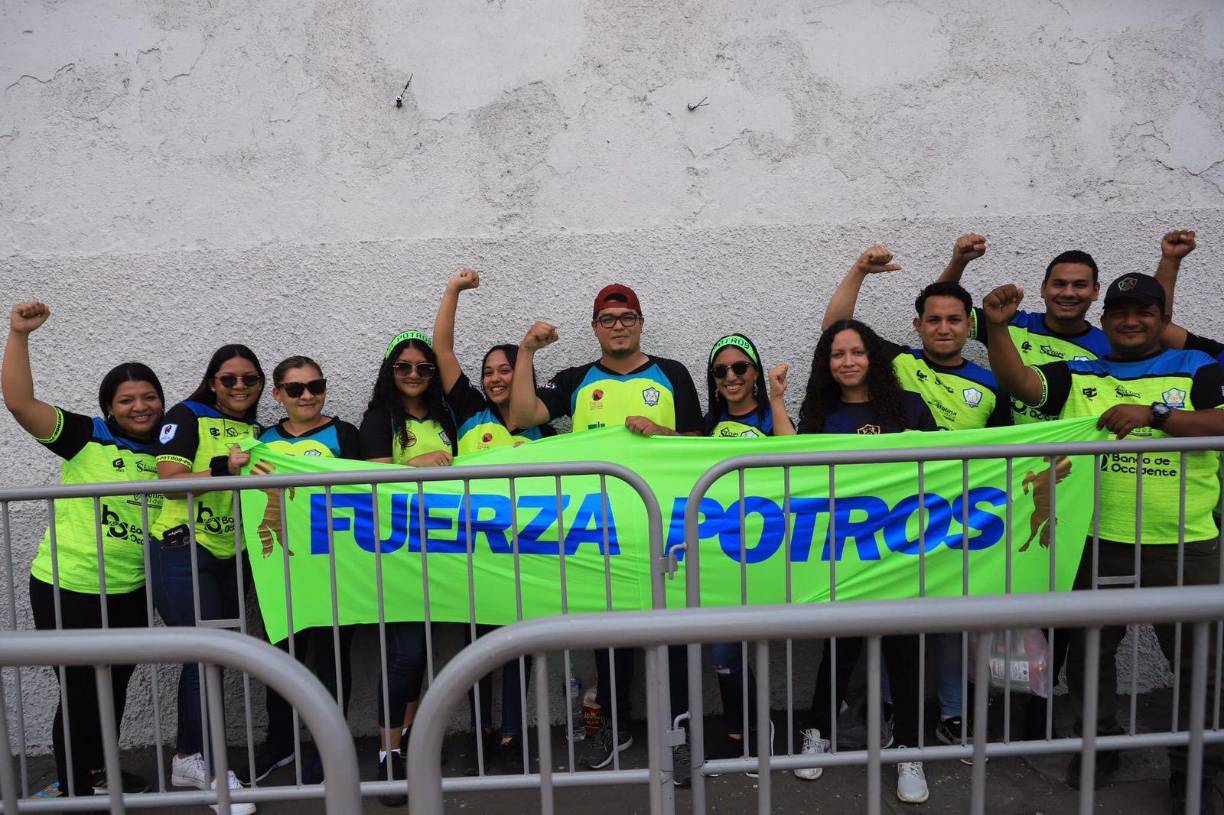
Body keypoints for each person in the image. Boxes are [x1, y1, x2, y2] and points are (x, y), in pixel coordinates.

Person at [981, 272, 1224, 812]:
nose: (1131, 322)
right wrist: (997, 329)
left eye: (1144, 313)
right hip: (1095, 540)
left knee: (1197, 662)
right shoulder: (1080, 371)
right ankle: (1100, 745)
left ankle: (1192, 770)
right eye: (1121, 313)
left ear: (1163, 319)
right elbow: (1021, 383)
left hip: (1183, 543)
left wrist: (1156, 415)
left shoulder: (1199, 369)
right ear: (1105, 319)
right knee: (1092, 656)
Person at [507, 283, 703, 773]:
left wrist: (665, 435)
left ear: (641, 323)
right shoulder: (576, 377)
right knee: (609, 636)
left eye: (627, 317)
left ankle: (679, 734)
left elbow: (701, 443)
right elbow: (521, 415)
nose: (618, 326)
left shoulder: (672, 373)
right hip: (599, 531)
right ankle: (615, 727)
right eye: (608, 319)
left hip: (663, 528)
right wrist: (526, 351)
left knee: (674, 634)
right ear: (595, 327)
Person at [823, 245, 1009, 747]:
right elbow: (835, 328)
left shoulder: (992, 383)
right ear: (918, 326)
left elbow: (1010, 450)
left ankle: (953, 712)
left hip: (959, 515)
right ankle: (886, 712)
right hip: (895, 516)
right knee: (889, 622)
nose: (944, 328)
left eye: (954, 320)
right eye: (933, 320)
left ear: (969, 326)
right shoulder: (900, 365)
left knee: (951, 619)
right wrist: (859, 269)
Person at [2, 302, 163, 799]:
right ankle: (75, 790)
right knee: (79, 693)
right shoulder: (85, 436)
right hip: (68, 586)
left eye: (149, 397)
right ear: (108, 407)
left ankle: (98, 775)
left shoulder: (172, 451)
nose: (140, 407)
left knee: (113, 689)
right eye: (126, 400)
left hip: (131, 589)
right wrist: (18, 335)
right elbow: (20, 403)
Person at [789, 319, 935, 805]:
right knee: (840, 648)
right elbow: (790, 468)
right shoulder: (820, 413)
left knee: (904, 651)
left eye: (856, 352)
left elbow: (947, 468)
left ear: (873, 356)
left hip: (902, 552)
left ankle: (910, 752)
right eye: (837, 354)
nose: (847, 362)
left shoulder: (909, 407)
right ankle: (817, 734)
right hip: (842, 554)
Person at [433, 269, 556, 774]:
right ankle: (481, 733)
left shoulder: (545, 425)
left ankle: (511, 736)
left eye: (504, 369)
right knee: (477, 647)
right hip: (473, 555)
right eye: (488, 372)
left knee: (520, 648)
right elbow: (442, 352)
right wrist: (453, 291)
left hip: (527, 556)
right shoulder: (468, 412)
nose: (495, 378)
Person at [150, 344, 264, 815]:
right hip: (182, 549)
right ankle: (213, 775)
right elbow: (168, 478)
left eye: (249, 379)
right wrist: (224, 467)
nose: (240, 386)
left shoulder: (259, 430)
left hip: (231, 553)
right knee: (208, 657)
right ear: (212, 381)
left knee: (209, 658)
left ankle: (187, 759)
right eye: (229, 378)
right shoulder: (186, 415)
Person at [238, 356, 360, 786]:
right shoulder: (261, 440)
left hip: (335, 566)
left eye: (315, 385)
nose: (307, 395)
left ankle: (329, 747)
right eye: (295, 388)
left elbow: (370, 490)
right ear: (277, 395)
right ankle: (280, 742)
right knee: (282, 659)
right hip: (279, 567)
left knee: (332, 661)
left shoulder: (346, 434)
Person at [359, 330, 457, 807]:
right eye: (404, 367)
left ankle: (410, 741)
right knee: (405, 653)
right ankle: (387, 751)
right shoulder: (379, 419)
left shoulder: (446, 416)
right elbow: (373, 475)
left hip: (443, 553)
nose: (414, 374)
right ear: (389, 371)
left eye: (423, 367)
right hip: (395, 556)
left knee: (419, 655)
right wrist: (421, 461)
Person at [701, 333, 792, 774]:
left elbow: (794, 452)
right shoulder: (708, 424)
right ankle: (742, 734)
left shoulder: (767, 414)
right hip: (720, 549)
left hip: (767, 547)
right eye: (722, 371)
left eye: (740, 368)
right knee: (724, 648)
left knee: (728, 646)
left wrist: (776, 398)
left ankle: (756, 732)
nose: (731, 377)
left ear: (754, 371)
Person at [938, 233, 1110, 423]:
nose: (1068, 293)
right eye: (1059, 284)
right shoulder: (1006, 323)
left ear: (1095, 291)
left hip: (1069, 451)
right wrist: (958, 262)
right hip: (1009, 450)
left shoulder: (1108, 348)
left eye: (1079, 285)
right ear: (1043, 289)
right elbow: (941, 308)